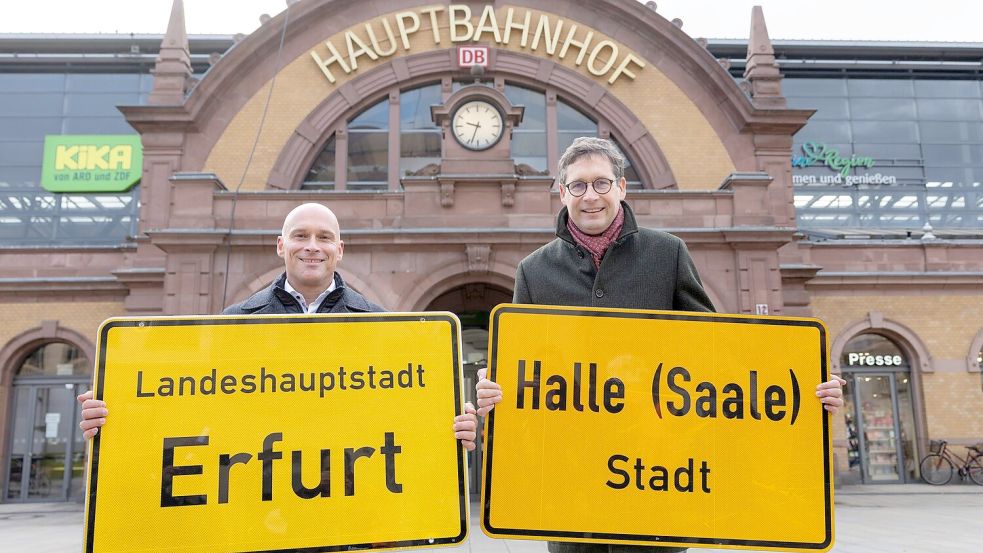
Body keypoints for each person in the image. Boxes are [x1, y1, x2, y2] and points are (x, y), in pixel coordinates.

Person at [475, 137, 846, 553]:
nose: (590, 196)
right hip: (571, 485)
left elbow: (715, 347)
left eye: (601, 183)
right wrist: (498, 389)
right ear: (562, 194)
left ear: (622, 187)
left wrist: (796, 381)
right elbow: (527, 373)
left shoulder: (667, 253)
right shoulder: (533, 271)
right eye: (578, 186)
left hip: (656, 475)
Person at [78, 202, 478, 450]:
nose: (312, 246)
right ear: (280, 245)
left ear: (339, 250)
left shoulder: (379, 325)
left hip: (351, 499)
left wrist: (450, 425)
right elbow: (193, 405)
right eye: (300, 235)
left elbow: (404, 415)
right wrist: (120, 418)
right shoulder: (234, 324)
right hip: (261, 499)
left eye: (324, 237)